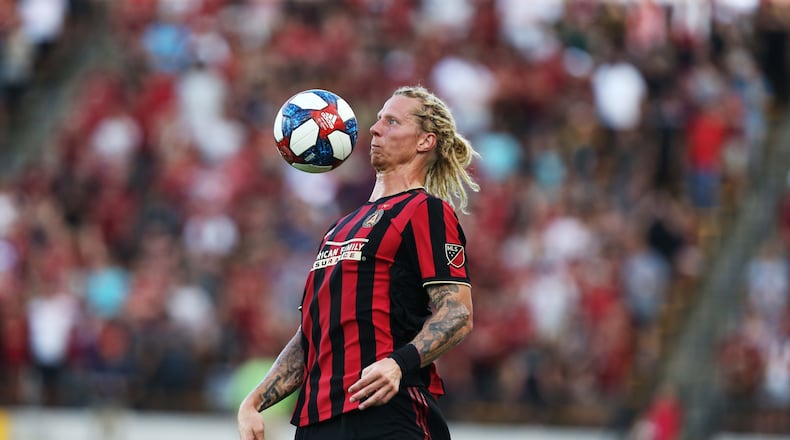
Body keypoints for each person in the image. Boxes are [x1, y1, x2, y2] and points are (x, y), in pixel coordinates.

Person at [237, 85, 480, 440]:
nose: (374, 129)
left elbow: (458, 313)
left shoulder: (424, 211)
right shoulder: (338, 227)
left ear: (425, 141)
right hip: (316, 421)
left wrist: (399, 364)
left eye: (392, 121)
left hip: (385, 411)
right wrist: (254, 401)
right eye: (379, 119)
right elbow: (311, 335)